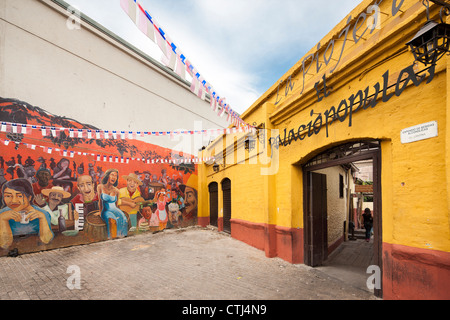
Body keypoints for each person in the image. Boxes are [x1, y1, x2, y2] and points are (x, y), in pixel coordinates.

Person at [0, 179, 53, 249]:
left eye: (19, 196)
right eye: (8, 196)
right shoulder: (2, 213)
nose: (13, 201)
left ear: (29, 197)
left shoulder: (42, 214)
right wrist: (2, 219)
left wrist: (42, 218)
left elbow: (47, 240)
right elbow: (5, 244)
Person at [96, 169, 128, 239]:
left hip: (115, 210)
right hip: (106, 210)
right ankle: (112, 238)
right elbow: (100, 201)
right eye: (112, 175)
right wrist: (100, 212)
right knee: (112, 221)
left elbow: (116, 205)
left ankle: (121, 238)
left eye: (116, 176)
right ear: (108, 176)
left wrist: (118, 213)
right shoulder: (100, 187)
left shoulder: (117, 191)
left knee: (124, 219)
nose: (114, 177)